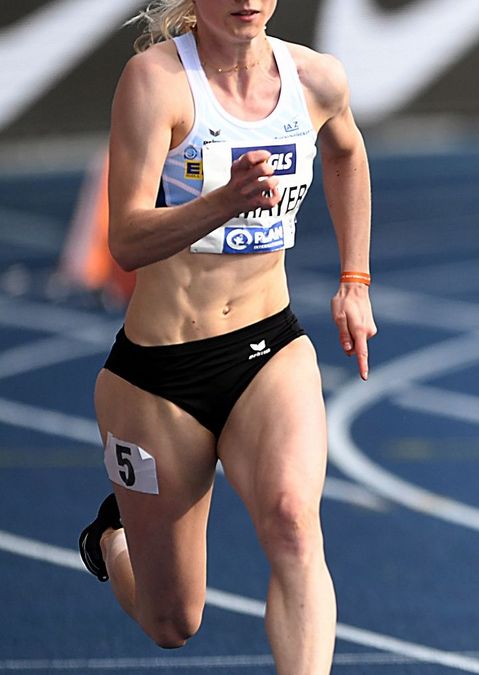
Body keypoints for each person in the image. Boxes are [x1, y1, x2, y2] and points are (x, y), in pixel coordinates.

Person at [75, 1, 375, 672]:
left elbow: (348, 153)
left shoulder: (316, 78)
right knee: (172, 620)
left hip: (269, 348)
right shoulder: (156, 82)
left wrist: (355, 279)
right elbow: (125, 239)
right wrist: (223, 202)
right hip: (158, 375)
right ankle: (113, 539)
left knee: (294, 522)